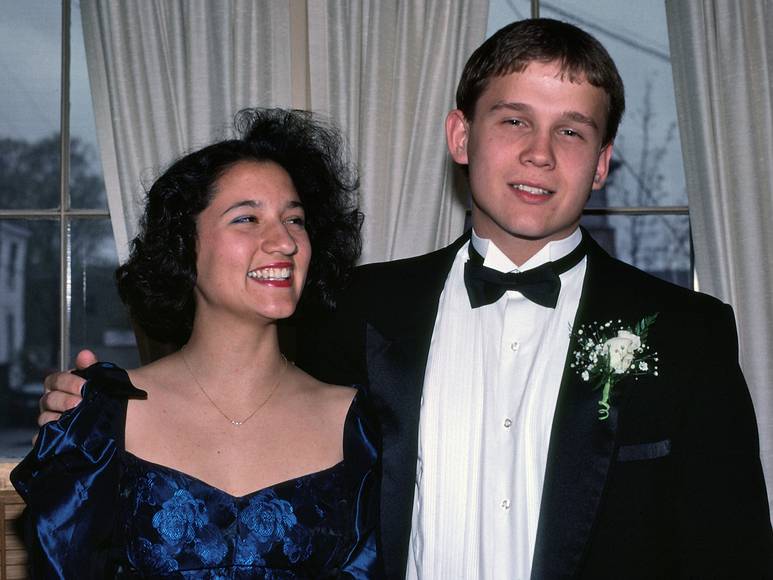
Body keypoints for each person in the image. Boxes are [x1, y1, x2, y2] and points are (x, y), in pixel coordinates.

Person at [40, 19, 773, 579]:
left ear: (604, 163)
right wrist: (83, 408)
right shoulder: (350, 313)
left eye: (571, 131)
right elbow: (226, 382)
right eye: (513, 119)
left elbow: (732, 558)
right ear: (461, 135)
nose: (539, 154)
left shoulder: (688, 335)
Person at [15, 108, 381, 578]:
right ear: (184, 245)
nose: (285, 242)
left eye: (295, 220)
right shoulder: (101, 419)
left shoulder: (359, 424)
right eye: (247, 218)